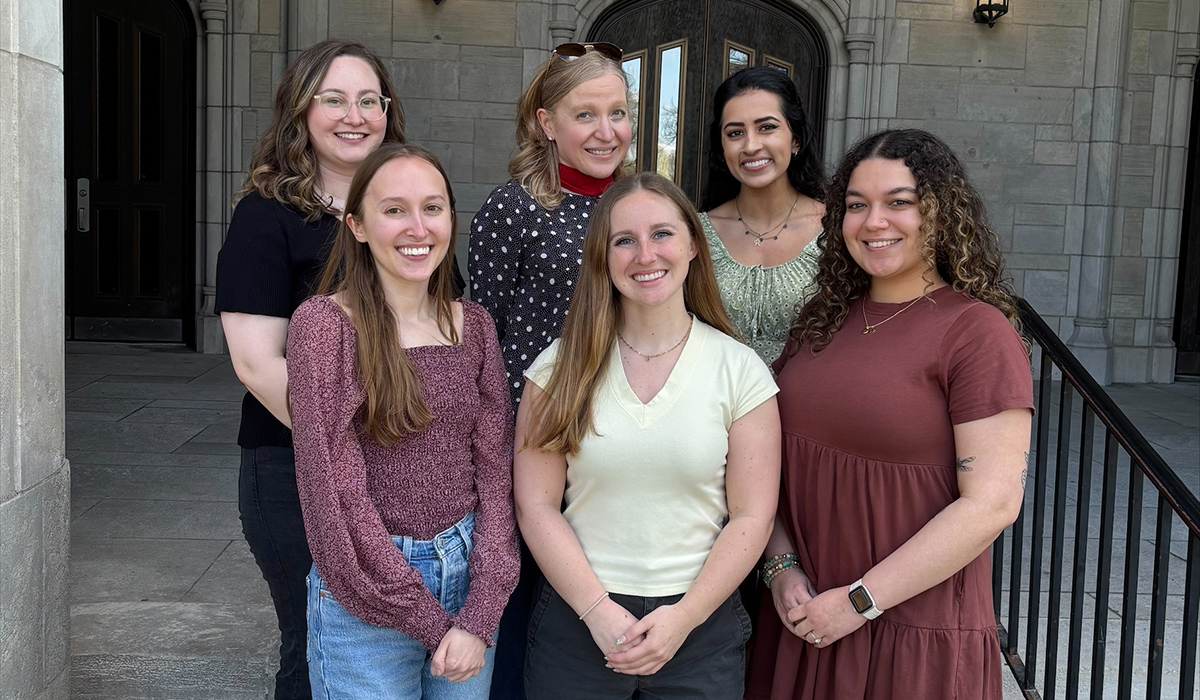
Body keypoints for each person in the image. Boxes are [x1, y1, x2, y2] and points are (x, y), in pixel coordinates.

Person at [744, 129, 1034, 700]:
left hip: (907, 630)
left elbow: (993, 503)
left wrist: (858, 602)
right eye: (857, 205)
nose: (875, 221)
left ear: (940, 213)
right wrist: (780, 569)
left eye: (899, 202)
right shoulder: (820, 323)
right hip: (802, 617)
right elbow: (768, 461)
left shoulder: (976, 333)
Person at [515, 173, 781, 700]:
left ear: (692, 246)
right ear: (603, 256)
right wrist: (596, 611)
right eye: (623, 240)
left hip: (700, 625)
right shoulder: (558, 368)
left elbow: (752, 516)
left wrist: (683, 618)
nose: (644, 254)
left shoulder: (740, 370)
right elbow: (535, 506)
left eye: (661, 234)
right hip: (577, 623)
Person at [286, 143, 520, 698]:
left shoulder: (476, 327)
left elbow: (495, 475)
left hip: (468, 577)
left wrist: (480, 614)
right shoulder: (325, 327)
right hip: (366, 592)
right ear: (358, 226)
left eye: (433, 208)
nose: (418, 227)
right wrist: (434, 624)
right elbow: (334, 493)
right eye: (394, 210)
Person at [215, 38, 404, 700]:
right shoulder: (267, 216)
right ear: (302, 111)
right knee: (320, 643)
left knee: (382, 648)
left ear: (388, 112)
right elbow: (254, 361)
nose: (354, 116)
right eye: (334, 100)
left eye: (368, 100)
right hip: (294, 468)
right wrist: (353, 448)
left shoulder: (404, 210)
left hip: (401, 464)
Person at [467, 42, 632, 699]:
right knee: (520, 603)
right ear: (546, 123)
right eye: (585, 114)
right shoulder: (512, 210)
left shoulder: (639, 206)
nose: (606, 131)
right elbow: (484, 342)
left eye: (618, 113)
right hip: (535, 446)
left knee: (594, 604)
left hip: (622, 443)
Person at [698, 67, 825, 365]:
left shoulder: (835, 230)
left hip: (808, 406)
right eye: (735, 133)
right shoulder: (696, 233)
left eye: (767, 127)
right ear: (722, 147)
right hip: (717, 406)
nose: (751, 145)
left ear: (796, 139)